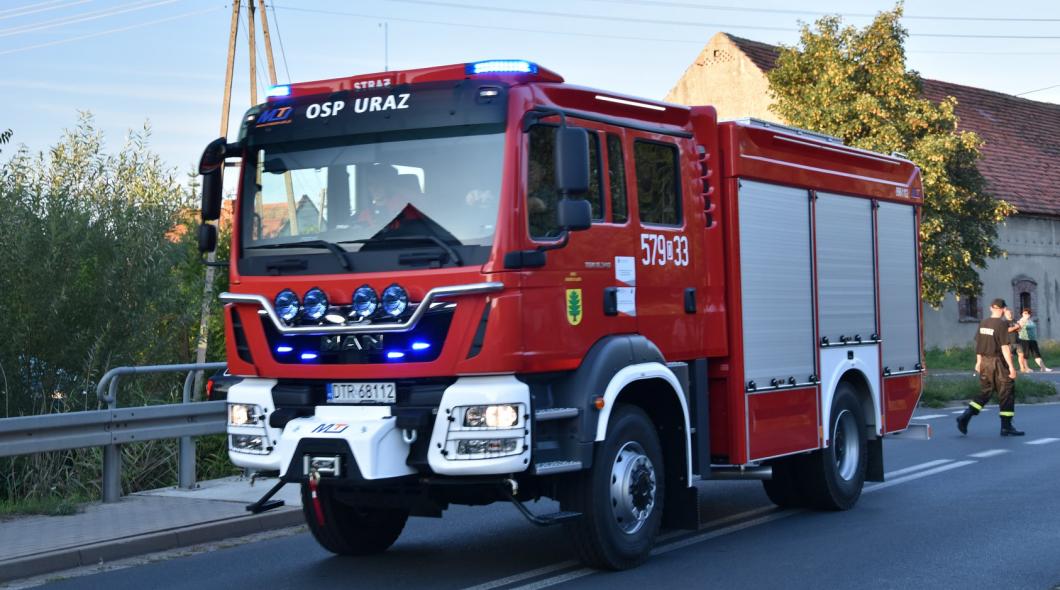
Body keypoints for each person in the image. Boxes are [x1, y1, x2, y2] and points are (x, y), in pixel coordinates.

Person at [956, 298, 1025, 436]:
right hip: (998, 362)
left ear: (990, 308)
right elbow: (1005, 347)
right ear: (1003, 309)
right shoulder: (1002, 324)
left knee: (986, 391)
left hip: (985, 362)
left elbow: (979, 345)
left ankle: (966, 415)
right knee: (1006, 392)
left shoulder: (983, 323)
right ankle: (1006, 426)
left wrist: (978, 362)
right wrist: (1011, 367)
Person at [1017, 308, 1052, 372]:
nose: (1027, 314)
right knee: (1025, 355)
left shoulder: (1030, 320)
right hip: (1025, 339)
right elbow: (1020, 328)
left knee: (1037, 354)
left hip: (1033, 340)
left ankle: (1043, 368)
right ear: (1022, 314)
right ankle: (1026, 368)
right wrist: (1025, 320)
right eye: (1025, 313)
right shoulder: (1020, 321)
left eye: (1029, 313)